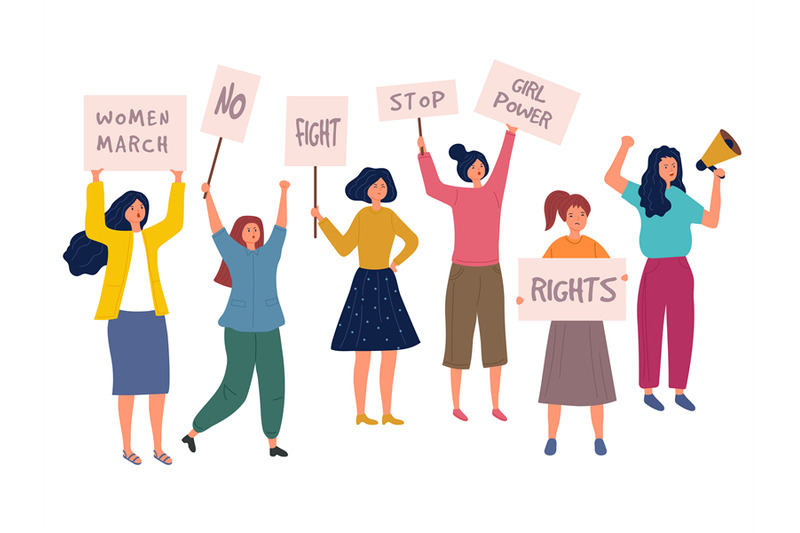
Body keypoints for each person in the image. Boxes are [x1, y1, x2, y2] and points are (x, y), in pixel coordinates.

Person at [63, 168, 185, 465]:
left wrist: (178, 181)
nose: (138, 210)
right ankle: (128, 447)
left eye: (142, 206)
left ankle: (158, 446)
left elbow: (175, 223)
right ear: (123, 210)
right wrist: (95, 180)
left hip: (153, 316)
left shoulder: (152, 237)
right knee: (127, 385)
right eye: (133, 206)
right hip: (122, 318)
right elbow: (93, 226)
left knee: (159, 385)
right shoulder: (114, 238)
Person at [605, 135, 725, 411]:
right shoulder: (644, 195)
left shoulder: (682, 199)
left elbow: (713, 220)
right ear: (655, 167)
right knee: (649, 327)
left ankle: (679, 390)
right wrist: (624, 147)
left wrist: (716, 182)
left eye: (674, 165)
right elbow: (611, 178)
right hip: (654, 269)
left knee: (682, 329)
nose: (670, 169)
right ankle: (648, 390)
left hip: (681, 269)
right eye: (665, 164)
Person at [182, 180, 291, 457]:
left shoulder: (271, 253)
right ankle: (195, 430)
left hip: (269, 327)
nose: (252, 231)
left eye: (256, 228)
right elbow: (217, 230)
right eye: (247, 228)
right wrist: (209, 199)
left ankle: (272, 442)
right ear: (240, 233)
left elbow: (281, 228)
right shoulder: (232, 253)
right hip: (238, 329)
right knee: (235, 390)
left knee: (274, 384)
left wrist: (284, 193)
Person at [416, 123, 517, 422]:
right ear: (464, 172)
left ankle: (495, 404)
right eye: (472, 166)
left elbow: (504, 164)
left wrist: (510, 134)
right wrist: (424, 154)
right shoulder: (458, 196)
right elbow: (432, 188)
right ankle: (456, 404)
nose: (478, 168)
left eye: (480, 165)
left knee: (495, 338)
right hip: (462, 273)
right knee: (458, 338)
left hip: (491, 272)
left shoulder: (495, 191)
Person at [517, 191, 623, 456]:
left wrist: (621, 278)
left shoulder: (595, 246)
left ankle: (599, 437)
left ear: (587, 217)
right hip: (563, 324)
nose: (577, 219)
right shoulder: (556, 247)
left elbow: (611, 275)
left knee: (597, 386)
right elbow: (538, 280)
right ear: (564, 218)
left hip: (590, 324)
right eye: (572, 215)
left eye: (582, 214)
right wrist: (524, 297)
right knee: (556, 385)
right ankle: (551, 437)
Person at [311, 167, 419, 426]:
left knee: (390, 351)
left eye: (383, 186)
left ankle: (387, 412)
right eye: (375, 186)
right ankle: (361, 413)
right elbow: (344, 247)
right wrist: (322, 220)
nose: (379, 190)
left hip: (385, 282)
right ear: (366, 189)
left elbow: (412, 240)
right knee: (363, 352)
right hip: (365, 283)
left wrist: (396, 261)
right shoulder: (361, 215)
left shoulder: (390, 215)